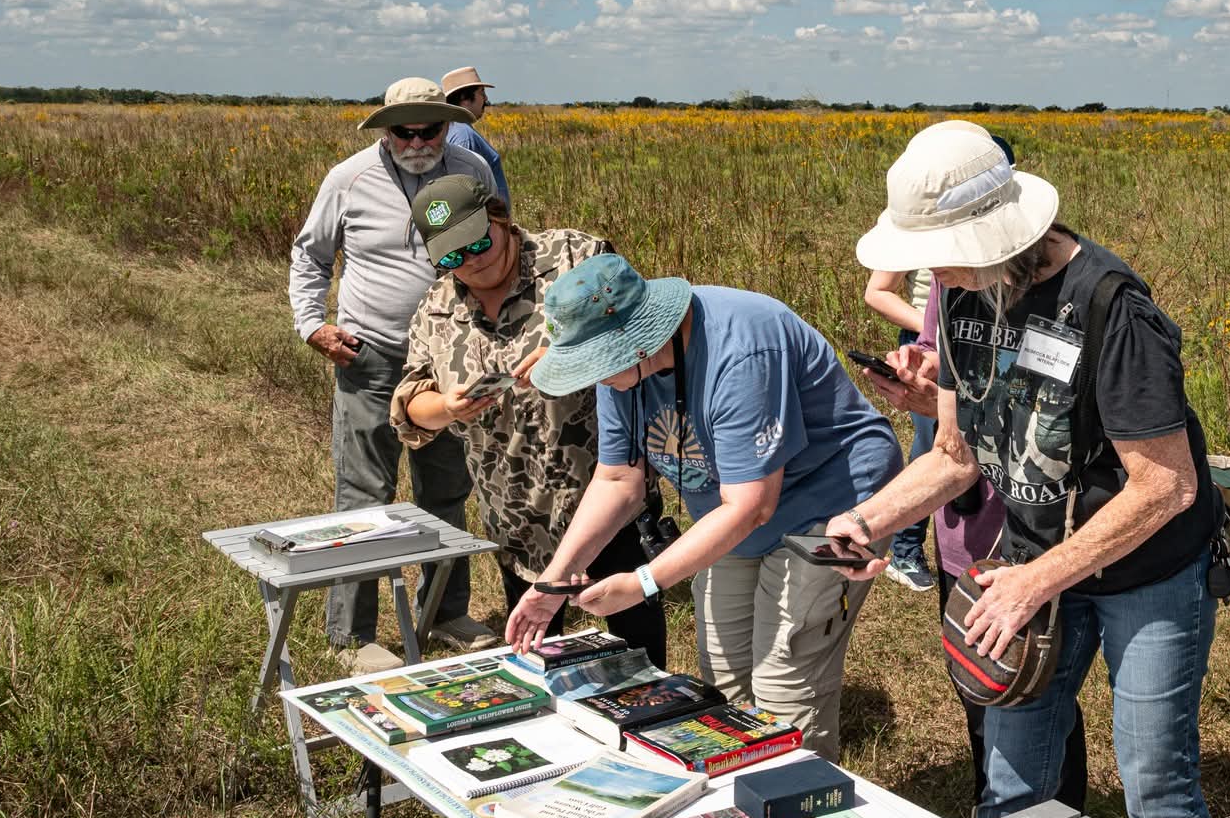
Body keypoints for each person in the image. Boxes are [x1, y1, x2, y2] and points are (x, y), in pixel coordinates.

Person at [829, 120, 1226, 818]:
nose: (929, 274)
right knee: (1010, 786)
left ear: (989, 238)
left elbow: (1167, 485)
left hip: (1145, 574)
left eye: (937, 254)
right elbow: (955, 453)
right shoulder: (964, 301)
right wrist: (867, 523)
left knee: (1155, 790)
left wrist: (1035, 582)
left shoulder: (1110, 306)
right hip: (1031, 569)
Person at [505, 253, 902, 761]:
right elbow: (618, 479)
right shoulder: (621, 371)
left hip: (828, 505)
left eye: (597, 366)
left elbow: (752, 507)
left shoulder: (743, 351)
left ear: (640, 341)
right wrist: (552, 583)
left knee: (785, 679)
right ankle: (740, 807)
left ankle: (800, 812)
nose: (594, 380)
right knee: (723, 674)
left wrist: (645, 582)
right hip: (728, 510)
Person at [388, 175, 667, 667]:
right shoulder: (436, 307)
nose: (471, 261)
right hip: (516, 514)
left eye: (479, 241)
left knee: (639, 655)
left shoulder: (575, 256)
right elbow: (409, 405)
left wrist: (569, 354)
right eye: (452, 255)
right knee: (536, 664)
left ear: (500, 217)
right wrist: (447, 407)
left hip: (605, 499)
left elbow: (640, 335)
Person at [860, 271, 1090, 817]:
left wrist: (952, 397)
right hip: (961, 529)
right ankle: (992, 808)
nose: (935, 266)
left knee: (1035, 683)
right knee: (978, 682)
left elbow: (1038, 405)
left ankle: (1059, 816)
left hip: (1027, 527)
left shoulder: (1053, 291)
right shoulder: (949, 286)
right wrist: (923, 373)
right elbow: (947, 385)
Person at [289, 77, 499, 668]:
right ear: (385, 129)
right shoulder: (348, 178)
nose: (414, 141)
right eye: (401, 131)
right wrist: (313, 325)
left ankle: (447, 614)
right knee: (363, 494)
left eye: (426, 129)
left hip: (447, 358)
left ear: (445, 124)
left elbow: (491, 249)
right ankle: (351, 638)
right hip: (369, 354)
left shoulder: (470, 171)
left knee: (448, 490)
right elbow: (311, 254)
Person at [861, 264, 938, 591]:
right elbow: (876, 292)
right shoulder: (910, 219)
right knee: (933, 447)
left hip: (963, 335)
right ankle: (905, 550)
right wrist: (936, 323)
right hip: (927, 339)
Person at [442, 65, 508, 210]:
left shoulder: (454, 129)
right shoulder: (463, 135)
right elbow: (462, 192)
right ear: (464, 98)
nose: (486, 98)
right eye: (481, 92)